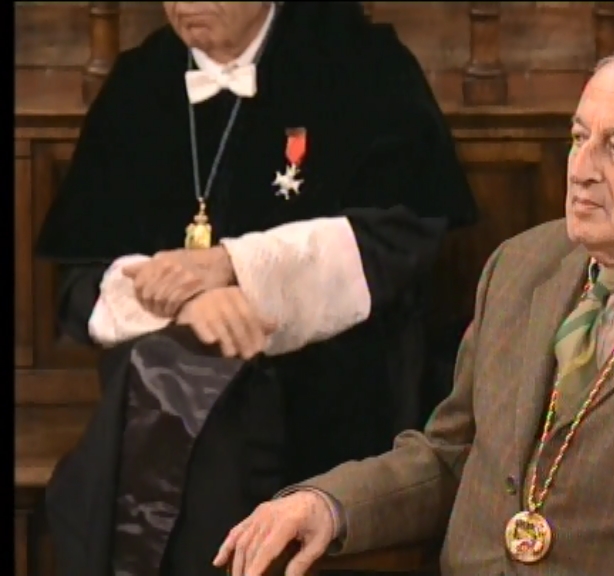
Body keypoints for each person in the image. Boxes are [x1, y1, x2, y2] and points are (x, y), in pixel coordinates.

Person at [215, 47, 614, 576]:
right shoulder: (521, 265)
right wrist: (328, 504)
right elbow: (452, 454)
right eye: (579, 137)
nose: (581, 169)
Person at [34, 3, 477, 576]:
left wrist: (237, 269)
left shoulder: (361, 63)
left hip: (330, 397)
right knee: (185, 396)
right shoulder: (138, 81)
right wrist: (187, 300)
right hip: (166, 403)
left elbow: (401, 238)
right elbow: (80, 278)